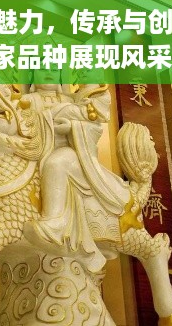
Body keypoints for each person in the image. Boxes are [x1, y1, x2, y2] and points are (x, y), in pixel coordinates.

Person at [22, 68, 130, 273]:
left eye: (54, 69)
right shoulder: (27, 101)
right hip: (32, 154)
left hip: (70, 156)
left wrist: (71, 128)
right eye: (42, 69)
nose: (48, 73)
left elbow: (94, 127)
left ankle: (54, 222)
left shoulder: (71, 100)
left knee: (57, 163)